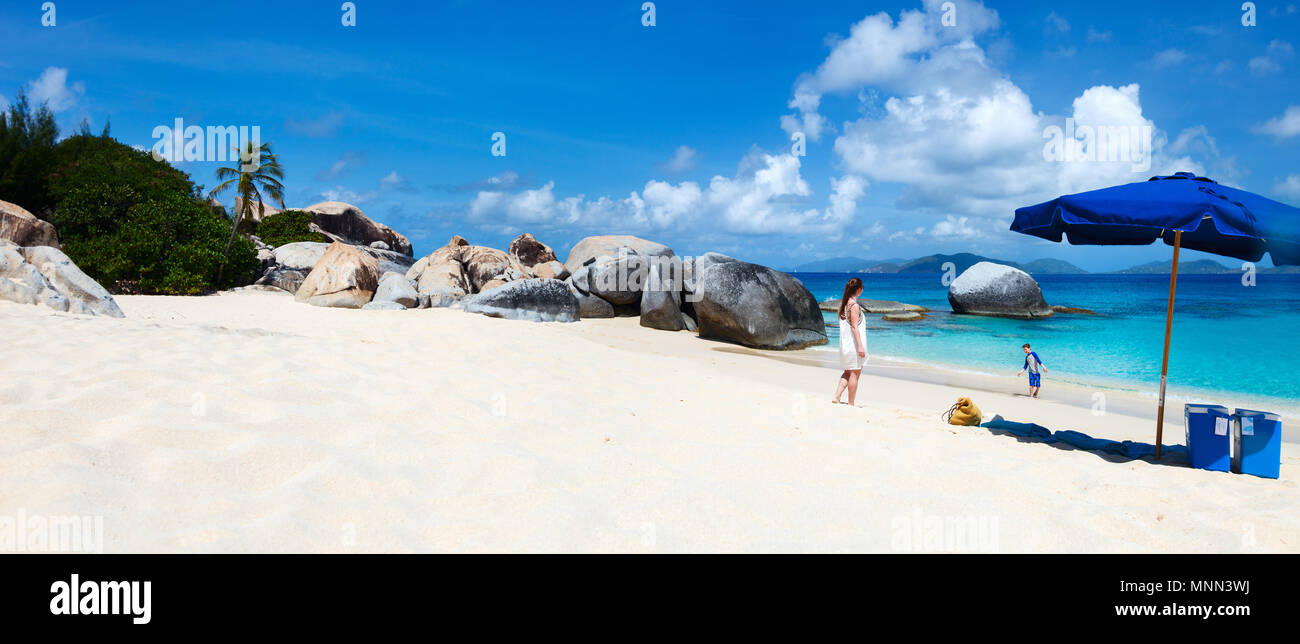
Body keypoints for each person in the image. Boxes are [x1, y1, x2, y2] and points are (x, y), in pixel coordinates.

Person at [833, 278, 867, 405]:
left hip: (845, 344)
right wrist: (860, 346)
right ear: (859, 290)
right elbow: (854, 327)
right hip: (853, 345)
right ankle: (851, 403)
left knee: (848, 372)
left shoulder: (843, 304)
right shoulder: (854, 305)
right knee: (855, 373)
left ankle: (836, 397)